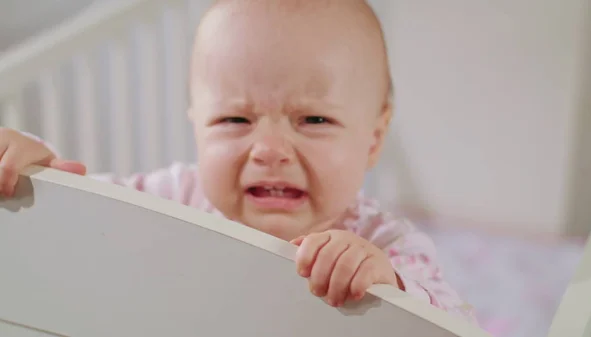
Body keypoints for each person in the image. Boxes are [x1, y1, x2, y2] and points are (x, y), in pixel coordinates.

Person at [0, 0, 477, 325]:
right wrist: (37, 169)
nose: (269, 149)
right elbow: (86, 213)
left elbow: (454, 322)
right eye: (233, 118)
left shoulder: (386, 243)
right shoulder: (173, 197)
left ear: (373, 141)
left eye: (312, 118)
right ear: (196, 124)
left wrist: (388, 285)